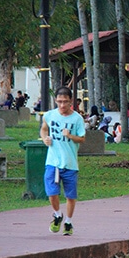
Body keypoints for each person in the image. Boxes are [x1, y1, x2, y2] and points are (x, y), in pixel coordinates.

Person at [40, 86, 86, 236]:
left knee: (70, 196)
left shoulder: (77, 119)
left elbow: (82, 138)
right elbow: (44, 128)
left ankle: (68, 221)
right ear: (55, 100)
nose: (62, 105)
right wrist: (45, 138)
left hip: (70, 163)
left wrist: (70, 136)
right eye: (59, 101)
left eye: (65, 102)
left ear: (71, 101)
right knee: (52, 192)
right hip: (53, 161)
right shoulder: (49, 115)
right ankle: (57, 214)